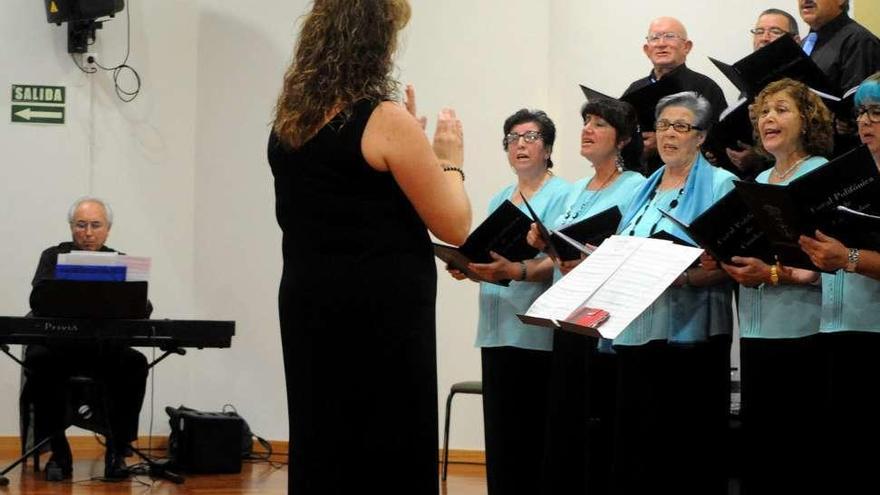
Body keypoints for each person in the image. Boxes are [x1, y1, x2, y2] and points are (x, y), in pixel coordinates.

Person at [267, 1, 471, 493]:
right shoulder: (385, 119)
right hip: (381, 309)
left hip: (308, 298)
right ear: (376, 43)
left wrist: (409, 150)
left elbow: (347, 200)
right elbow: (456, 226)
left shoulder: (290, 122)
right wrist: (447, 159)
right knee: (388, 439)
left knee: (325, 435)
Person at [612, 91, 736, 495]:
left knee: (686, 449)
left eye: (681, 126)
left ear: (701, 137)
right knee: (638, 447)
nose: (669, 134)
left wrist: (680, 274)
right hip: (637, 330)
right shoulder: (643, 189)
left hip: (690, 336)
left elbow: (729, 262)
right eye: (663, 125)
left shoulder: (722, 184)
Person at [718, 78, 832, 495]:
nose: (769, 118)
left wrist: (770, 273)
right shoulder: (760, 177)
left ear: (807, 119)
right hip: (756, 328)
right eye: (764, 111)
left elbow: (824, 263)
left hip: (801, 330)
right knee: (760, 451)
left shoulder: (818, 172)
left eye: (782, 109)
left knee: (794, 451)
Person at [446, 109, 568, 495]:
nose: (520, 145)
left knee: (533, 433)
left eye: (530, 137)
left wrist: (514, 268)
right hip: (496, 326)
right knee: (502, 434)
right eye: (512, 138)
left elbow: (562, 259)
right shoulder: (501, 196)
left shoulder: (563, 193)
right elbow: (492, 255)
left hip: (536, 329)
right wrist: (471, 266)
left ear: (548, 148)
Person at [532, 98, 645, 495]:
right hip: (566, 311)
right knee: (566, 417)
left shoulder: (634, 186)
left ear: (624, 139)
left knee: (597, 419)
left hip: (602, 318)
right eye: (585, 122)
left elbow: (628, 250)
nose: (587, 129)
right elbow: (564, 253)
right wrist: (545, 243)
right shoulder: (575, 188)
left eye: (599, 124)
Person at [24, 197, 149, 481]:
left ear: (108, 229)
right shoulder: (52, 256)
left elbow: (141, 306)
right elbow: (38, 299)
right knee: (38, 360)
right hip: (60, 347)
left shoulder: (120, 260)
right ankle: (58, 450)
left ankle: (117, 451)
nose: (88, 232)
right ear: (71, 227)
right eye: (81, 225)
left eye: (95, 225)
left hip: (102, 349)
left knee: (135, 363)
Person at [799, 72, 880, 493]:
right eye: (861, 112)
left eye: (877, 112)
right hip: (834, 325)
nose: (865, 121)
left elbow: (849, 255)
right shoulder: (845, 176)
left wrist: (848, 257)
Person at [624, 16, 728, 175]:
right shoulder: (634, 89)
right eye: (655, 38)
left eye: (669, 36)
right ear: (646, 49)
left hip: (692, 177)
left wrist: (662, 139)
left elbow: (719, 141)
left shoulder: (705, 87)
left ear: (687, 47)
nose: (661, 44)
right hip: (642, 178)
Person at [725, 9, 802, 178]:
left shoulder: (803, 85)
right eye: (759, 32)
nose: (764, 38)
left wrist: (759, 156)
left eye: (774, 31)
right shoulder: (747, 83)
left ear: (795, 41)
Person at [799, 0, 880, 156]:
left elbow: (859, 107)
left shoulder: (859, 40)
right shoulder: (804, 44)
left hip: (844, 156)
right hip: (804, 155)